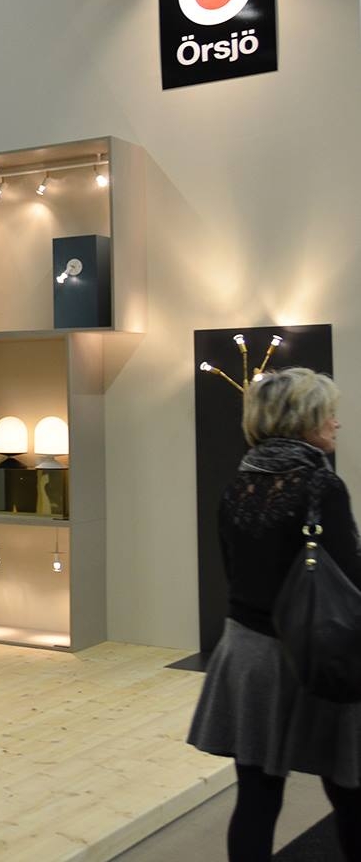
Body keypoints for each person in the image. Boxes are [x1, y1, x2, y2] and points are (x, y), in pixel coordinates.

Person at [188, 368, 361, 861]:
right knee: (349, 793)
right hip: (316, 654)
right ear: (303, 419)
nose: (336, 423)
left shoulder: (238, 483)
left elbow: (233, 572)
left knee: (257, 798)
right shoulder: (321, 485)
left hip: (248, 655)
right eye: (328, 413)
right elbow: (349, 581)